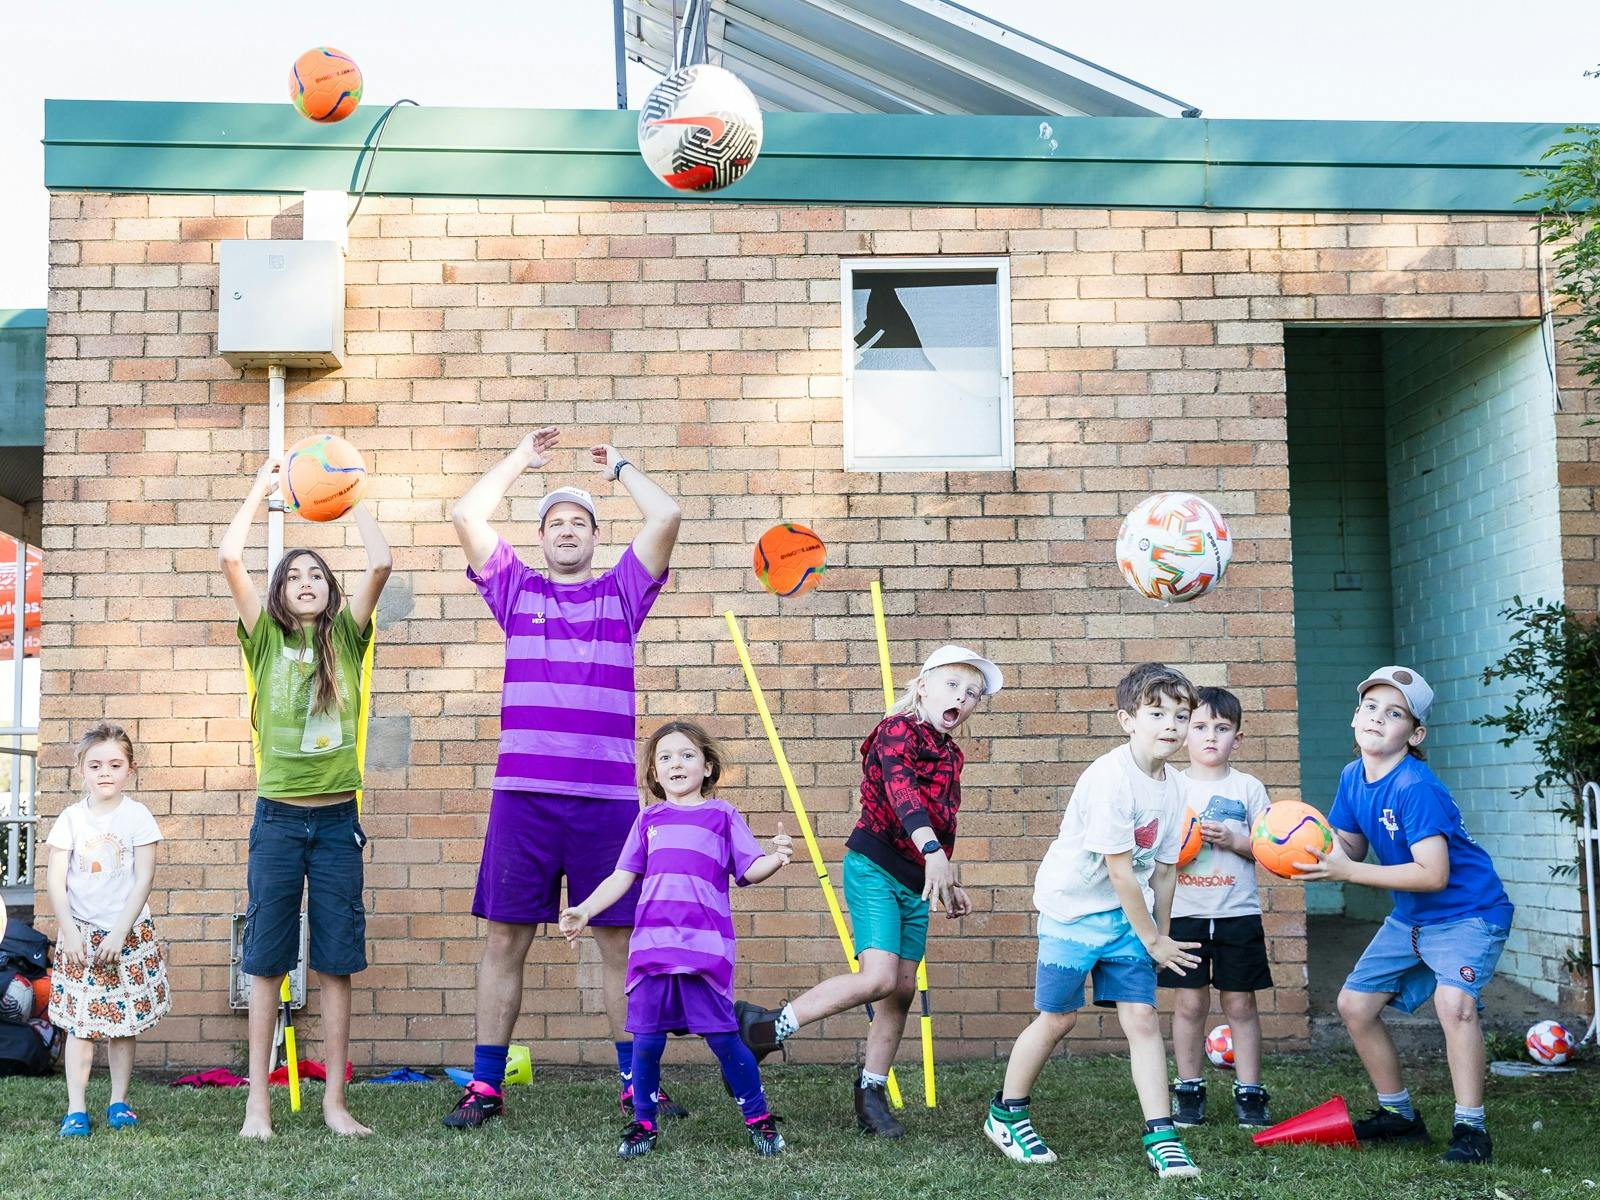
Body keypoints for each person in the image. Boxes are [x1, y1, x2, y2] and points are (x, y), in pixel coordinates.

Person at [445, 427, 682, 1129]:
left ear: (598, 536)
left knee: (618, 942)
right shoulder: (515, 591)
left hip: (607, 804)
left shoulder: (623, 595)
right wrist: (522, 460)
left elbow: (666, 516)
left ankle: (636, 1084)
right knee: (506, 940)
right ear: (541, 540)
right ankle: (486, 1086)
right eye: (555, 523)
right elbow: (465, 515)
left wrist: (622, 468)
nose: (568, 530)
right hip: (523, 801)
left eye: (580, 522)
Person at [734, 645, 1002, 1139]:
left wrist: (949, 877)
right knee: (878, 977)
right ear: (922, 686)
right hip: (875, 866)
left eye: (973, 694)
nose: (962, 699)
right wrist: (933, 853)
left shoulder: (950, 752)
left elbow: (940, 820)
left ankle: (870, 1092)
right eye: (952, 686)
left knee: (901, 989)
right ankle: (768, 1028)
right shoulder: (894, 731)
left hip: (916, 878)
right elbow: (903, 797)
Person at [220, 457, 392, 1139]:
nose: (306, 583)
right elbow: (229, 555)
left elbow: (381, 563)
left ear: (330, 589)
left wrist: (345, 501)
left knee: (336, 964)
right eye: (294, 576)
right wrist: (261, 492)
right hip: (278, 824)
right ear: (279, 593)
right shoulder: (264, 641)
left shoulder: (347, 639)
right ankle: (256, 1107)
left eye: (317, 574)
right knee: (265, 962)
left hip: (338, 825)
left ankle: (334, 1105)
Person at [984, 662, 1202, 1180]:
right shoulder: (1109, 778)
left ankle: (1162, 1135)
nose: (1171, 724)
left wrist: (1163, 935)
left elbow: (1166, 870)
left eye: (1181, 714)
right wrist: (1153, 940)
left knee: (1142, 1018)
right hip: (1072, 914)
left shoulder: (1175, 788)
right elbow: (1122, 871)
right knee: (1058, 1018)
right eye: (1157, 712)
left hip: (1130, 921)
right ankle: (1006, 1113)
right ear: (1127, 720)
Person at [1298, 666, 1514, 1167]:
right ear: (1355, 718)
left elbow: (1433, 873)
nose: (1378, 717)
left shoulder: (1414, 785)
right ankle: (1399, 1118)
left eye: (1394, 713)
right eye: (1370, 707)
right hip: (1413, 918)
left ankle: (1471, 1130)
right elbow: (1346, 844)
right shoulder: (1354, 776)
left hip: (1469, 912)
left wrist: (1348, 872)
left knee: (1454, 1003)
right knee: (1354, 1005)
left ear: (1413, 734)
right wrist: (1283, 843)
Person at [560, 722, 793, 1158]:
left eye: (686, 755)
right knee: (646, 1043)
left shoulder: (722, 815)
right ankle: (644, 1124)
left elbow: (750, 869)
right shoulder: (648, 820)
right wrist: (585, 909)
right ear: (654, 771)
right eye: (665, 757)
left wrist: (776, 859)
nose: (675, 764)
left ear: (707, 767)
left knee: (725, 1041)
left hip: (704, 954)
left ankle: (759, 1119)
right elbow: (622, 876)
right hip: (652, 953)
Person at [45, 722, 170, 1137]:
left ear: (129, 769)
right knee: (80, 1025)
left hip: (127, 935)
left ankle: (119, 1101)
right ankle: (76, 1109)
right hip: (79, 934)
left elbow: (144, 879)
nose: (105, 772)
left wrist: (119, 932)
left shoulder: (138, 817)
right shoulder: (69, 820)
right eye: (96, 764)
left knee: (122, 1023)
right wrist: (70, 931)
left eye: (115, 764)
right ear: (81, 769)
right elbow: (56, 882)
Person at [1162, 686, 1274, 1128]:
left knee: (1240, 1004)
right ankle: (1189, 1088)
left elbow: (1270, 850)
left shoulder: (1247, 787)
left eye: (1222, 728)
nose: (1211, 736)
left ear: (1237, 738)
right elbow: (1151, 850)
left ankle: (1250, 1090)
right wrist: (1179, 849)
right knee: (1189, 1004)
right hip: (1185, 913)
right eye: (1200, 726)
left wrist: (1237, 840)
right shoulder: (1170, 785)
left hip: (1236, 913)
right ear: (1183, 734)